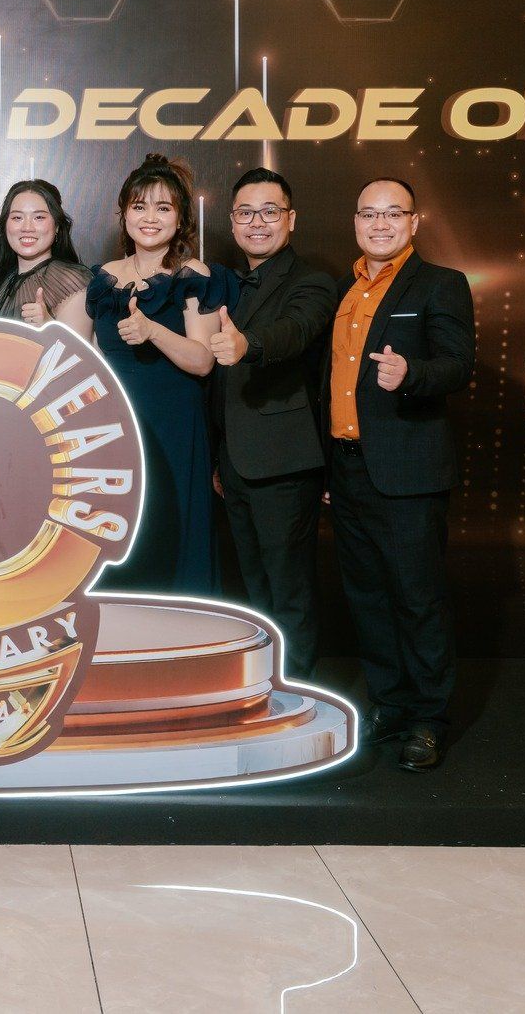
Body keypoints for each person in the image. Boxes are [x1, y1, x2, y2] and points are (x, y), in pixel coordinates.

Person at [324, 176, 476, 772]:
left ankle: (430, 720)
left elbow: (459, 364)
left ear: (415, 222)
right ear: (355, 222)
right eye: (369, 213)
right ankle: (390, 705)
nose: (380, 223)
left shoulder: (440, 284)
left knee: (418, 600)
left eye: (393, 213)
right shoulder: (344, 291)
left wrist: (411, 374)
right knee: (368, 598)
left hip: (409, 472)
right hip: (349, 468)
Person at [207, 167, 337, 680]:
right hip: (235, 463)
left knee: (289, 591)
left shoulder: (312, 282)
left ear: (291, 218)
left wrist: (249, 344)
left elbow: (295, 330)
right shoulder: (228, 284)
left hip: (284, 464)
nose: (257, 222)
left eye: (269, 211)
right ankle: (264, 690)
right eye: (246, 213)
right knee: (255, 592)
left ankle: (298, 694)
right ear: (232, 221)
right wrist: (218, 456)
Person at [84, 153, 226, 594]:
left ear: (180, 218)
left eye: (163, 208)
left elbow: (203, 360)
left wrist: (153, 331)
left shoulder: (193, 275)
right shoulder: (104, 278)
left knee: (173, 541)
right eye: (140, 206)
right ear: (124, 214)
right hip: (114, 434)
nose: (150, 218)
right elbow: (91, 358)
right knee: (121, 544)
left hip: (174, 430)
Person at [0, 179, 93, 337]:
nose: (27, 228)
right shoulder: (0, 281)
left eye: (39, 217)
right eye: (17, 218)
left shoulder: (72, 280)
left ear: (57, 226)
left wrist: (49, 326)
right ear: (5, 226)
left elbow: (77, 352)